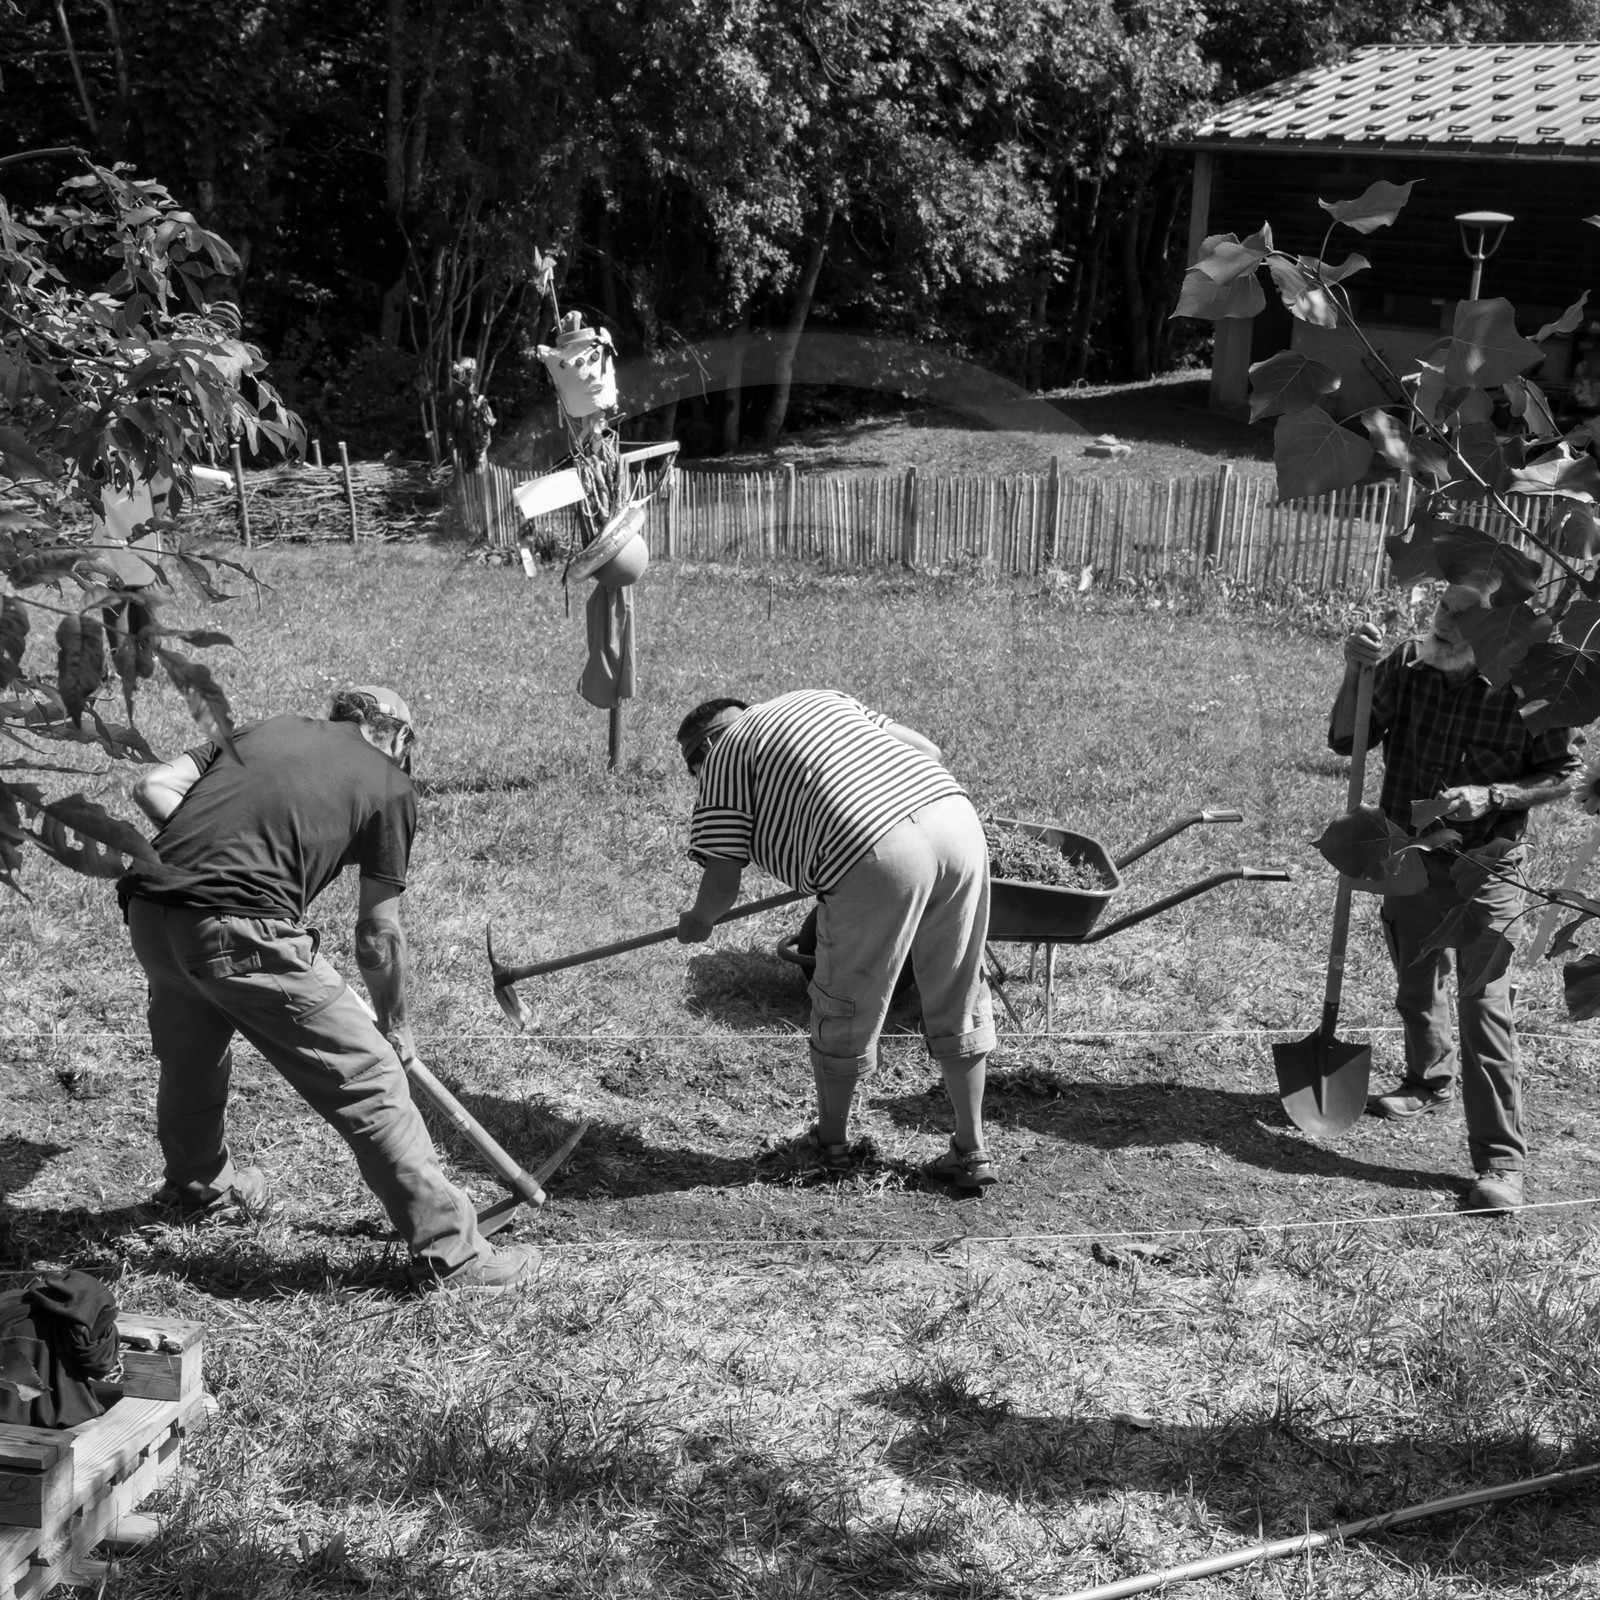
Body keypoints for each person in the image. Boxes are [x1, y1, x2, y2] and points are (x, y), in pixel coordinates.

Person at [117, 686, 536, 1292]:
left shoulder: (265, 728)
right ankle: (458, 1256)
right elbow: (377, 931)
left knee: (192, 1055)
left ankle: (200, 1187)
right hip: (239, 929)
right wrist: (395, 1025)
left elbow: (153, 787)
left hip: (152, 913)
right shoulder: (390, 782)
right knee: (369, 1080)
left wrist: (218, 858)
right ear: (400, 737)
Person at [675, 690, 998, 1191]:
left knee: (845, 1000)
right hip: (955, 819)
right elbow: (928, 751)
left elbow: (721, 882)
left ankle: (831, 1147)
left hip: (874, 852)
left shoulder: (722, 757)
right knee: (959, 990)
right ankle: (971, 1149)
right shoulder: (818, 700)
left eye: (692, 771)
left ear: (701, 752)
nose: (698, 781)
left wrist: (698, 921)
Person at [1333, 583, 1580, 1213]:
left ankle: (1501, 1160)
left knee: (1482, 1003)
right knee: (1416, 976)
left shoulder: (1530, 689)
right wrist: (1353, 672)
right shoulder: (1407, 665)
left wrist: (1493, 795)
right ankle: (1427, 1079)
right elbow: (1345, 738)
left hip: (1488, 864)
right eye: (1442, 608)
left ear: (1500, 631)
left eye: (1463, 618)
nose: (1442, 623)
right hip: (1409, 854)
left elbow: (1564, 772)